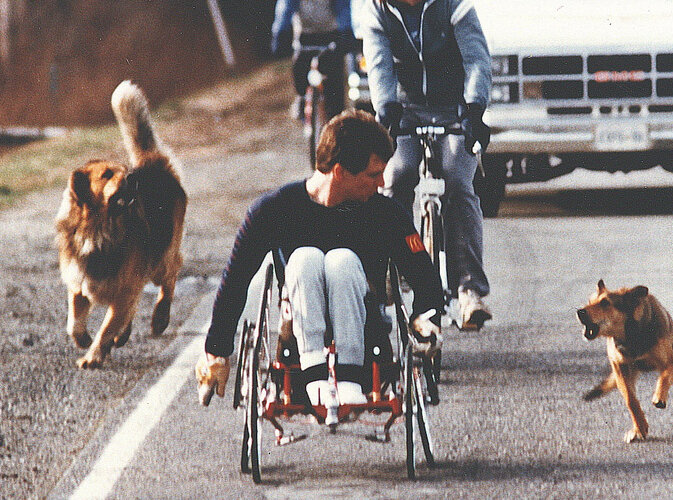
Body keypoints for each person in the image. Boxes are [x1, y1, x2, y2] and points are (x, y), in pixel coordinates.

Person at [195, 109, 443, 407]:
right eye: (373, 174)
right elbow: (235, 281)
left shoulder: (386, 214)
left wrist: (425, 319)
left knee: (341, 261)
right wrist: (216, 350)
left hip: (367, 348)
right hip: (297, 352)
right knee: (305, 259)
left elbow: (426, 279)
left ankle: (347, 375)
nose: (381, 184)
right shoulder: (272, 211)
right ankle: (316, 375)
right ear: (339, 171)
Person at [359, 0, 493, 330]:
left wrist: (475, 108)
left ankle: (468, 290)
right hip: (404, 109)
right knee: (397, 177)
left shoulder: (454, 5)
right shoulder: (377, 8)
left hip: (455, 109)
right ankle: (388, 273)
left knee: (458, 182)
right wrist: (386, 107)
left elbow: (477, 59)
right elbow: (379, 67)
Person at [271, 0, 356, 120]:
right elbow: (285, 10)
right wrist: (280, 34)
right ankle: (302, 98)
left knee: (335, 93)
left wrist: (347, 33)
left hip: (331, 37)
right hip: (305, 37)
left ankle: (337, 119)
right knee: (300, 73)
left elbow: (344, 11)